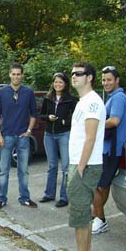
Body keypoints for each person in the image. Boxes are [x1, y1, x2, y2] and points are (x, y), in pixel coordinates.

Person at [59, 62, 106, 251]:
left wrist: (80, 166)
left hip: (85, 166)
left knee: (79, 214)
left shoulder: (93, 103)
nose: (74, 76)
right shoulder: (83, 101)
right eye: (72, 73)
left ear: (90, 78)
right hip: (79, 163)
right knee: (81, 214)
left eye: (79, 74)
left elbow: (91, 136)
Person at [91, 66, 126, 234]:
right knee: (102, 185)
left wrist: (94, 123)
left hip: (111, 149)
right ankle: (97, 216)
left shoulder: (119, 98)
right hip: (107, 148)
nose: (105, 83)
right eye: (103, 80)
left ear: (117, 80)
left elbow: (114, 121)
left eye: (109, 79)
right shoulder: (111, 97)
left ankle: (100, 219)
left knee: (93, 183)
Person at [0, 63, 38, 209]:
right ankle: (2, 198)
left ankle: (24, 198)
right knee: (3, 170)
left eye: (18, 74)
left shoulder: (28, 92)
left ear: (22, 75)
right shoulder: (2, 92)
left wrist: (29, 131)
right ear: (9, 74)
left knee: (23, 170)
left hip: (22, 137)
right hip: (6, 136)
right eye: (13, 74)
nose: (16, 76)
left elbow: (33, 114)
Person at [38, 72, 77, 207]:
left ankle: (64, 197)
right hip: (49, 135)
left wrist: (65, 122)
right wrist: (48, 117)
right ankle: (49, 194)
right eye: (55, 82)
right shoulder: (48, 98)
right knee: (52, 166)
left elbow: (77, 116)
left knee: (66, 166)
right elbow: (41, 115)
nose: (57, 84)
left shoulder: (70, 99)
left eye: (60, 82)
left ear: (65, 84)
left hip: (64, 134)